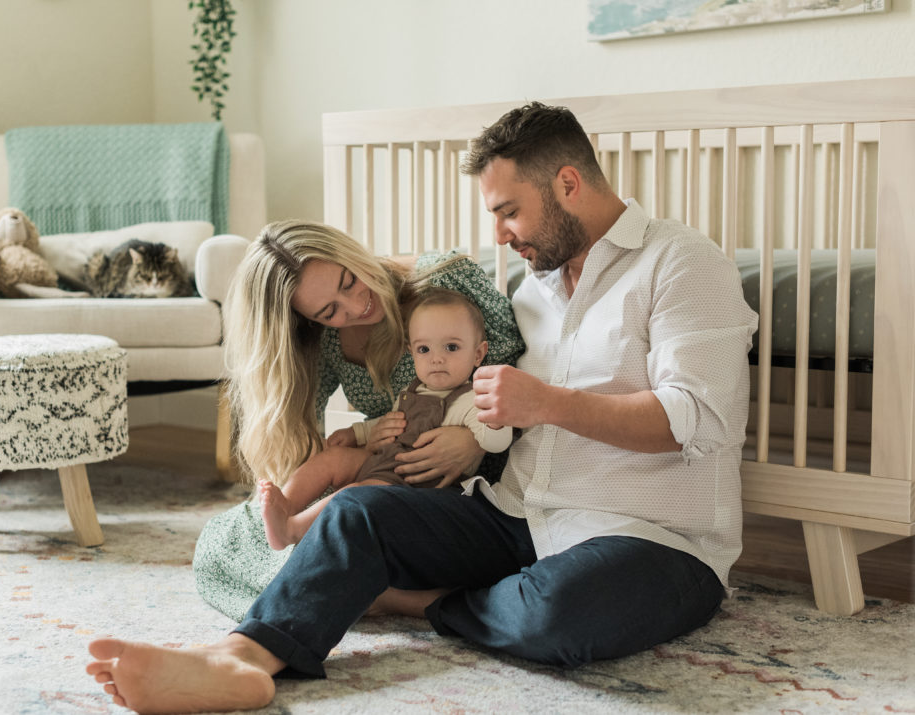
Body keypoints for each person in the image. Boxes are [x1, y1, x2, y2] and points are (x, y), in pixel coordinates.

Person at [86, 101, 758, 714]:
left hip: (654, 538)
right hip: (520, 519)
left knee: (557, 612)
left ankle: (415, 600)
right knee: (356, 512)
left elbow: (698, 420)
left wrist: (547, 402)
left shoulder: (683, 264)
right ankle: (242, 657)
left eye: (508, 210)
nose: (500, 235)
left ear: (567, 185)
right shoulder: (533, 293)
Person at [193, 220, 525, 621]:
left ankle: (381, 593)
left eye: (349, 281)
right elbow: (313, 443)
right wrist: (359, 442)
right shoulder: (327, 340)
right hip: (389, 470)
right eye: (330, 311)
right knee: (220, 541)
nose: (356, 307)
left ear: (348, 251)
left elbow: (533, 373)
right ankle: (382, 593)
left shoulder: (448, 280)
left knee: (329, 541)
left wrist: (473, 442)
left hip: (471, 490)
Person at [260, 287, 514, 550]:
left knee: (357, 493)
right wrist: (357, 433)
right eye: (424, 349)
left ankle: (291, 531)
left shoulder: (471, 400)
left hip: (418, 485)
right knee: (332, 459)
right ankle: (286, 505)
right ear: (411, 352)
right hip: (388, 463)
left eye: (451, 347)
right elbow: (391, 422)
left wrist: (494, 423)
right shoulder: (413, 390)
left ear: (478, 354)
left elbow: (495, 442)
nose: (437, 358)